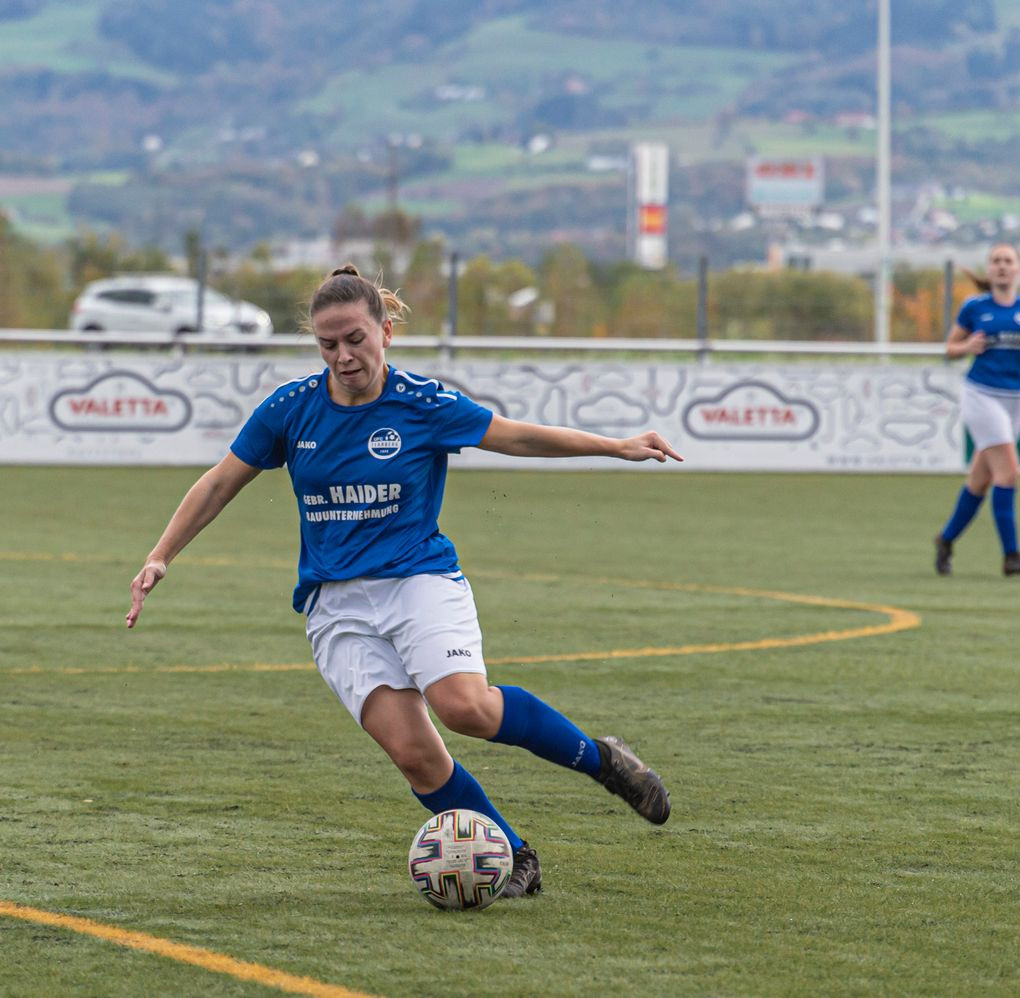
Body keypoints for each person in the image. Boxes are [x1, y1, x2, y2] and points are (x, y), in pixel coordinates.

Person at [126, 264, 681, 899]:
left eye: (355, 339)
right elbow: (219, 482)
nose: (343, 356)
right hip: (336, 607)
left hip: (419, 581)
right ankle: (512, 854)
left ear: (385, 332)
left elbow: (517, 438)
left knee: (465, 709)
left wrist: (614, 446)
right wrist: (161, 555)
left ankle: (604, 761)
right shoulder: (289, 409)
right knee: (415, 754)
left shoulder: (423, 404)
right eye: (327, 344)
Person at [933, 243, 1020, 577]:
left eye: (1008, 261)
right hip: (981, 395)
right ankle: (1011, 555)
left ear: (1019, 269)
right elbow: (950, 349)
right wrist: (967, 346)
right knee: (1009, 473)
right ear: (989, 269)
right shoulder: (975, 307)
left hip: (1016, 399)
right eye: (996, 261)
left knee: (980, 481)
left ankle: (946, 540)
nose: (1002, 266)